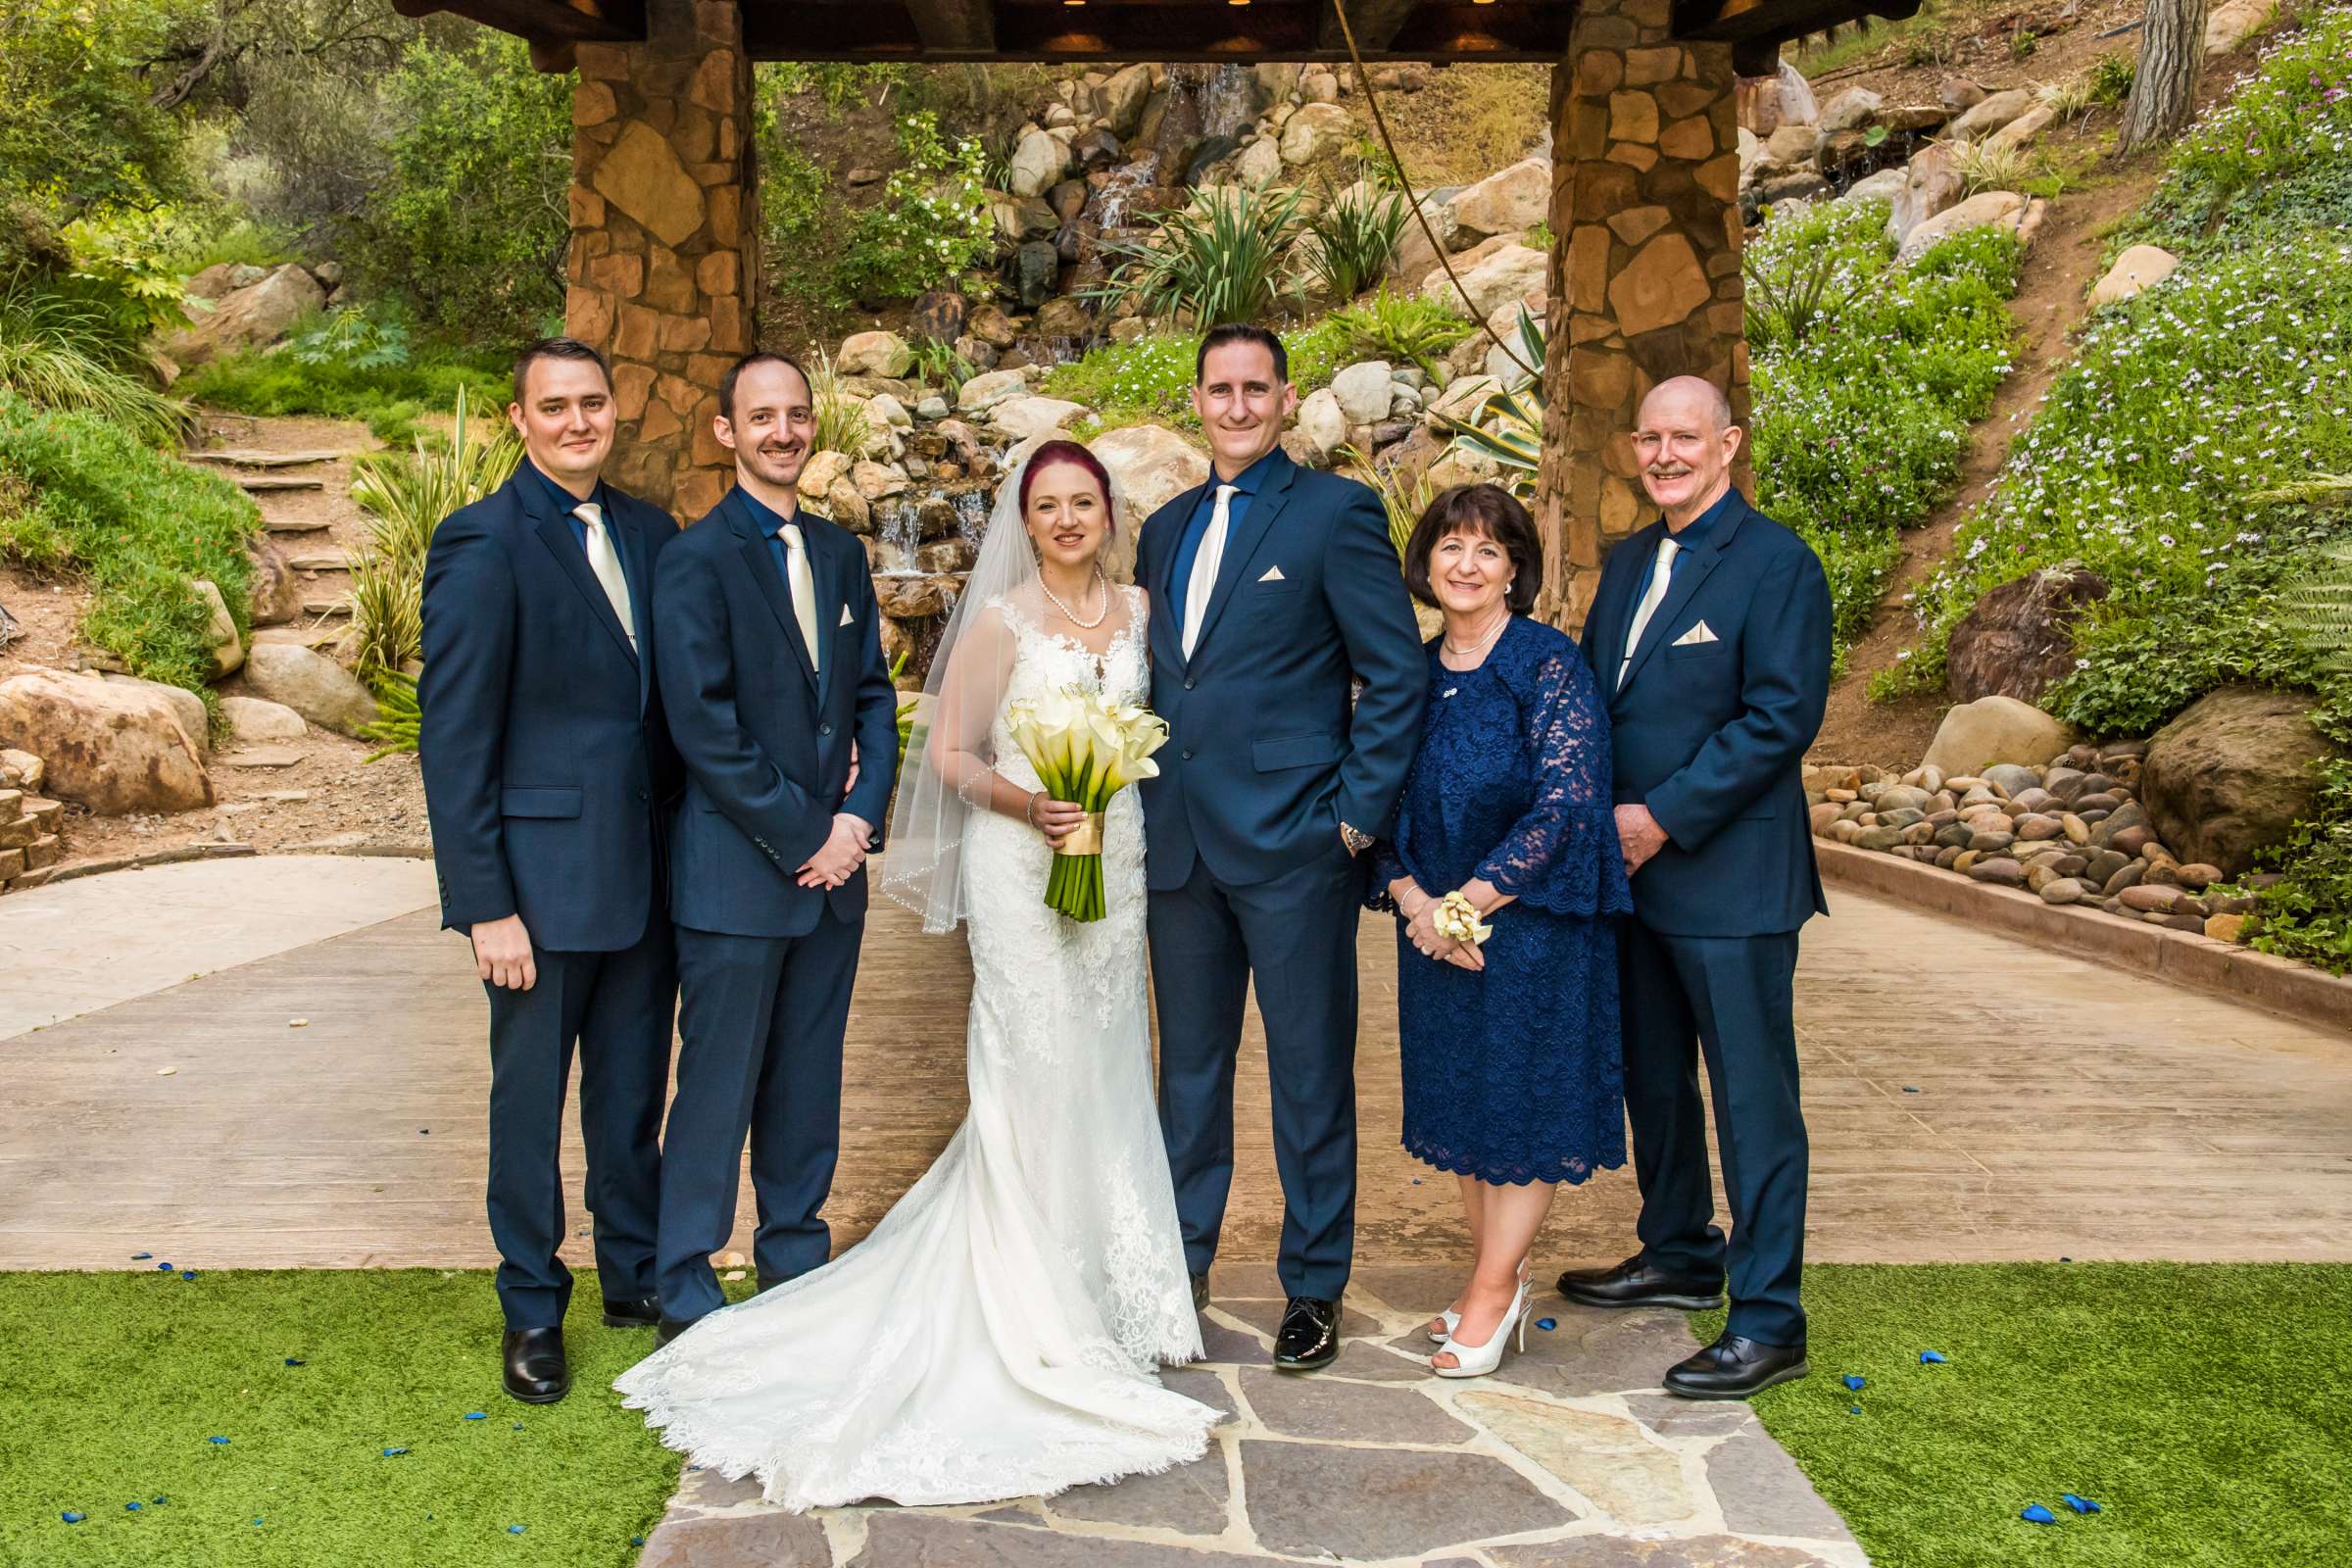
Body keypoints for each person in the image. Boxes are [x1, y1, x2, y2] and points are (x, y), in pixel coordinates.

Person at [615, 439, 1219, 1508]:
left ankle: (1116, 1297)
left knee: (1108, 1058)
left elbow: (1156, 733)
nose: (1068, 519)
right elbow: (948, 753)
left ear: (1110, 513)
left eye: (1085, 502)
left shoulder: (1139, 616)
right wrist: (1031, 804)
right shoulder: (1001, 623)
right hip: (1020, 857)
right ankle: (1025, 1301)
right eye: (1048, 505)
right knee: (1032, 1060)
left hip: (1111, 868)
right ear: (1024, 520)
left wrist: (1101, 792)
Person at [1139, 324, 1428, 1372]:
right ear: (1199, 399)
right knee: (1189, 1076)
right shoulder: (1162, 530)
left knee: (1310, 1074)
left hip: (1297, 844)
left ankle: (1314, 1283)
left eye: (1256, 388)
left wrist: (1351, 820)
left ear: (1286, 397)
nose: (1237, 406)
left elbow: (1395, 675)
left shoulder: (1337, 514)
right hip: (1177, 848)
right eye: (1220, 389)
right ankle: (1181, 1264)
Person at [417, 336, 681, 1404]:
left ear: (616, 412)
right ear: (519, 421)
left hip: (646, 880)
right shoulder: (481, 542)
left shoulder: (653, 533)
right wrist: (486, 905)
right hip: (533, 893)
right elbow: (455, 740)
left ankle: (633, 1278)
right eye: (555, 406)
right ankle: (533, 1305)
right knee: (529, 1109)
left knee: (629, 1100)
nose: (578, 421)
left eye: (593, 403)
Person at [1557, 375, 1832, 1399]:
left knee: (1754, 1101)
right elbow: (1593, 701)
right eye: (1652, 438)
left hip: (1731, 877)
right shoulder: (1628, 561)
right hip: (1629, 879)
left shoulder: (1777, 565)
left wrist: (1661, 815)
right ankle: (1678, 1247)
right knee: (1655, 1080)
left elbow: (1778, 718)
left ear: (1728, 445)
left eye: (1686, 437)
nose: (1666, 453)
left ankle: (1769, 1317)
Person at [638, 353, 900, 1344]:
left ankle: (795, 1259)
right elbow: (703, 728)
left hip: (833, 880)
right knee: (716, 1085)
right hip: (737, 879)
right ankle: (686, 1279)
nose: (784, 432)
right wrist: (807, 833)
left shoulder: (838, 555)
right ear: (726, 432)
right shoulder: (693, 561)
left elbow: (874, 694)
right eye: (763, 417)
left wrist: (857, 824)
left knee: (805, 1077)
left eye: (796, 415)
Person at [1372, 484, 1632, 1379]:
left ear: (1515, 567)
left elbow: (1566, 805)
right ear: (1426, 563)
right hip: (1435, 934)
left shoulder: (1546, 665)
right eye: (1450, 547)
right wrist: (1414, 903)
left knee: (1518, 1108)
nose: (1466, 565)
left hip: (1530, 930)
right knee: (1466, 1105)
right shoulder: (1409, 671)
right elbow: (1374, 806)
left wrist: (1465, 907)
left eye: (1487, 550)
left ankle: (1492, 1290)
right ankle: (1496, 1276)